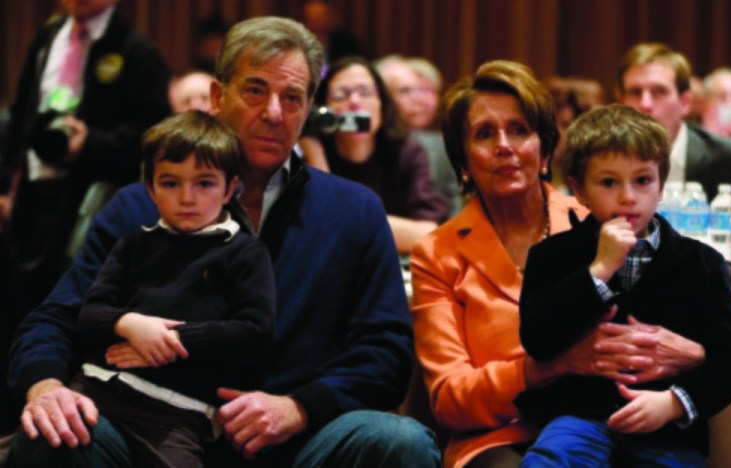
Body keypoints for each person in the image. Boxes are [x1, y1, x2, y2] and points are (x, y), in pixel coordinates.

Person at [6, 16, 439, 467]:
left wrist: (299, 407)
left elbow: (386, 354)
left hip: (298, 440)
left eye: (292, 97)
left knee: (399, 441)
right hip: (147, 433)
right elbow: (55, 319)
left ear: (309, 109)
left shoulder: (355, 211)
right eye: (255, 91)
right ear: (218, 96)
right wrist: (47, 388)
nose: (273, 112)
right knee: (50, 436)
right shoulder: (138, 206)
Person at [410, 60, 708, 468]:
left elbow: (681, 315)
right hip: (502, 437)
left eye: (519, 129)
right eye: (484, 134)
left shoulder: (601, 219)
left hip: (610, 421)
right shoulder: (438, 253)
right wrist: (551, 365)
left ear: (545, 148)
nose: (504, 146)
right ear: (462, 162)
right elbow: (449, 399)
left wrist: (696, 353)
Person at [517, 104, 731, 466]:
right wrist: (598, 270)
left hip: (666, 428)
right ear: (579, 190)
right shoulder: (553, 257)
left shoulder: (701, 264)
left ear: (661, 187)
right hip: (579, 417)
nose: (628, 196)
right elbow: (537, 339)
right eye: (609, 182)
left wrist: (673, 403)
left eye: (642, 180)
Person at [69, 110, 276, 467]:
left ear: (230, 189)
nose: (187, 197)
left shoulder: (245, 252)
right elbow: (89, 316)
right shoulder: (134, 244)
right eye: (170, 183)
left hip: (176, 412)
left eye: (204, 183)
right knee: (36, 443)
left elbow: (254, 333)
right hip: (96, 389)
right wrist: (131, 325)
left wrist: (168, 342)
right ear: (149, 188)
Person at [0, 0, 171, 433]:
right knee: (13, 316)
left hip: (88, 206)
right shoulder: (46, 38)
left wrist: (88, 143)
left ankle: (54, 420)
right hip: (29, 202)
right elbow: (19, 120)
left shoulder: (137, 52)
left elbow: (151, 141)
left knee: (60, 311)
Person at [305, 56, 448, 253]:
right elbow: (317, 229)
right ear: (324, 108)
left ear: (381, 103)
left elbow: (427, 235)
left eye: (365, 93)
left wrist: (347, 220)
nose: (355, 102)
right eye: (340, 95)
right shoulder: (311, 155)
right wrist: (314, 152)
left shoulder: (407, 153)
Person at [616, 42, 731, 224]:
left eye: (659, 91)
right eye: (635, 92)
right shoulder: (602, 160)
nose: (645, 104)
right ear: (621, 102)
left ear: (685, 103)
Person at [376, 54, 463, 218]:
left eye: (426, 91)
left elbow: (453, 205)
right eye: (405, 91)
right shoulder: (366, 144)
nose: (420, 99)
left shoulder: (440, 144)